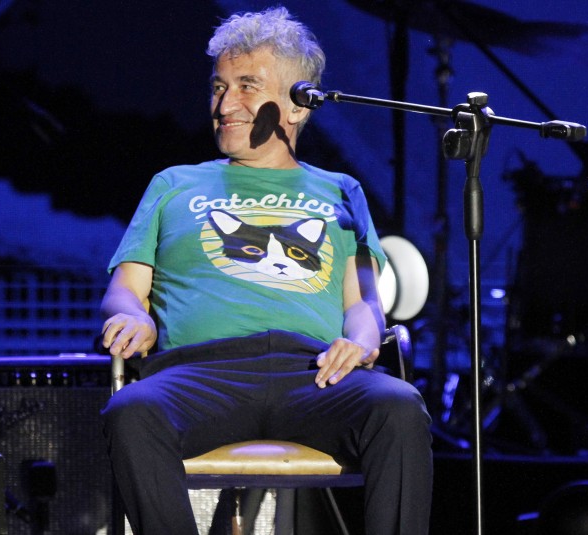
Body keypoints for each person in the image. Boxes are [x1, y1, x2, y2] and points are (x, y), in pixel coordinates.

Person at [100, 6, 432, 534]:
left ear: (298, 105)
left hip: (314, 373)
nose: (224, 104)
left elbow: (365, 303)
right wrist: (132, 316)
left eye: (247, 87)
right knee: (132, 412)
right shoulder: (174, 184)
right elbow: (124, 290)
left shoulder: (341, 190)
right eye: (218, 87)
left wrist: (362, 343)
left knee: (400, 406)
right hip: (200, 374)